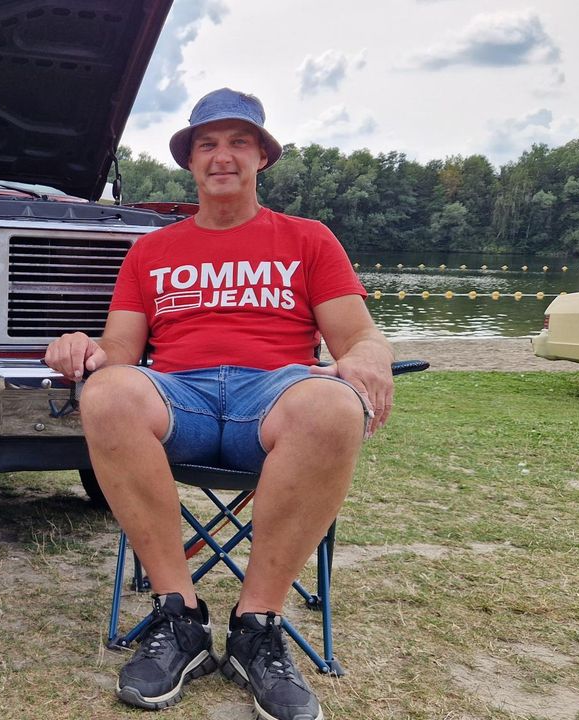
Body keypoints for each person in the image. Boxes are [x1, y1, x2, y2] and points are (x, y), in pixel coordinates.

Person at [45, 87, 393, 720]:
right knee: (109, 392)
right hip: (183, 397)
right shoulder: (150, 251)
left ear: (261, 155)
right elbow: (120, 351)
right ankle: (181, 617)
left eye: (238, 142)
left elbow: (357, 335)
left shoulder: (307, 239)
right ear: (191, 160)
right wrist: (80, 347)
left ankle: (257, 626)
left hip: (273, 397)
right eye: (208, 143)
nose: (222, 156)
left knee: (333, 405)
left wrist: (370, 354)